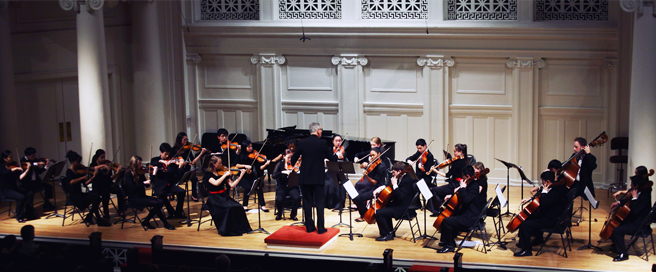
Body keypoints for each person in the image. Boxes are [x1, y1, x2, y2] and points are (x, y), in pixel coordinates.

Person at [291, 122, 342, 233]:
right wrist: (337, 155)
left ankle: (309, 227)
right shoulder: (322, 143)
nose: (321, 132)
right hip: (318, 178)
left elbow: (292, 159)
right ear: (318, 130)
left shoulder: (302, 143)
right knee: (319, 203)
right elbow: (332, 158)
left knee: (307, 203)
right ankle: (321, 228)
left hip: (305, 178)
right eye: (321, 131)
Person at [514, 171, 568, 257]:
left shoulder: (555, 192)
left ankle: (527, 250)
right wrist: (530, 200)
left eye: (542, 181)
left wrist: (544, 192)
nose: (541, 183)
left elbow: (544, 204)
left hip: (550, 220)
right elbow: (540, 200)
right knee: (526, 218)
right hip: (547, 216)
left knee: (525, 225)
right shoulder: (552, 188)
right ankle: (526, 242)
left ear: (547, 181)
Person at [436, 165, 487, 253]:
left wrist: (462, 188)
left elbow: (467, 199)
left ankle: (450, 246)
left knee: (446, 221)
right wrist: (451, 196)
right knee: (450, 216)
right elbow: (462, 196)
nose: (461, 178)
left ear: (467, 176)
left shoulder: (474, 186)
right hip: (467, 213)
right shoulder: (470, 183)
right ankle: (446, 241)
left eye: (463, 176)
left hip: (470, 217)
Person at [609, 166, 652, 262]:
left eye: (633, 184)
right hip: (635, 219)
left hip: (639, 224)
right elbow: (628, 199)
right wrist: (619, 203)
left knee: (617, 231)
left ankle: (623, 254)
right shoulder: (639, 189)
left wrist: (635, 198)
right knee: (617, 222)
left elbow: (636, 210)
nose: (631, 186)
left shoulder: (645, 194)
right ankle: (616, 245)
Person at [203, 156, 252, 236]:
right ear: (214, 164)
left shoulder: (222, 172)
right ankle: (229, 229)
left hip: (223, 196)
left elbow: (232, 185)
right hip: (214, 198)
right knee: (229, 208)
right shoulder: (208, 174)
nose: (221, 165)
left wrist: (240, 176)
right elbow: (216, 183)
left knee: (239, 206)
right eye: (219, 163)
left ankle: (241, 228)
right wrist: (225, 175)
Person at [124, 155, 175, 230]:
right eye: (139, 164)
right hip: (135, 199)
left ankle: (147, 221)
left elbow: (148, 185)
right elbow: (132, 188)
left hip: (142, 196)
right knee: (157, 203)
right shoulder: (128, 174)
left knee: (160, 201)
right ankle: (165, 223)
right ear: (134, 164)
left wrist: (153, 174)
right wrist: (143, 183)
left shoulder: (140, 173)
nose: (141, 166)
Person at [372, 162, 417, 241]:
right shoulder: (399, 177)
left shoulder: (407, 181)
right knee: (384, 209)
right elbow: (389, 186)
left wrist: (395, 185)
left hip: (401, 208)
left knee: (378, 213)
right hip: (397, 204)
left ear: (399, 171)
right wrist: (380, 188)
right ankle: (390, 232)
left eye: (394, 172)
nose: (392, 174)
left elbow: (401, 197)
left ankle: (386, 234)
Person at [64, 150, 111, 226]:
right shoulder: (69, 171)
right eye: (77, 162)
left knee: (97, 197)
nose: (79, 164)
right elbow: (71, 182)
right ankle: (97, 220)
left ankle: (90, 217)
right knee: (95, 198)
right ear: (72, 161)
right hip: (74, 197)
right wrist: (82, 178)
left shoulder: (79, 171)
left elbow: (85, 184)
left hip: (80, 194)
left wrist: (93, 177)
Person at [428, 143, 468, 215]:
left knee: (434, 190)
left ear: (460, 152)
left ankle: (438, 209)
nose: (453, 153)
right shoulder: (466, 161)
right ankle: (442, 206)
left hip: (455, 185)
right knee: (441, 190)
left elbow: (447, 175)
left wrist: (435, 170)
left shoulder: (457, 162)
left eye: (455, 151)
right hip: (459, 184)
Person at [150, 143, 186, 218]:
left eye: (168, 154)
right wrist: (162, 161)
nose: (167, 156)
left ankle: (178, 213)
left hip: (169, 185)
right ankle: (170, 210)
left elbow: (178, 175)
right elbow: (152, 163)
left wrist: (180, 167)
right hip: (159, 186)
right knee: (161, 195)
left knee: (181, 192)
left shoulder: (171, 162)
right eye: (165, 154)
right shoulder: (154, 160)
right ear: (161, 152)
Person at [352, 147, 388, 222]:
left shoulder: (381, 166)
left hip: (378, 189)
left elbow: (374, 182)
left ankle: (364, 215)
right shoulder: (373, 164)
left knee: (359, 198)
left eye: (373, 155)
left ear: (379, 154)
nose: (371, 157)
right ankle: (366, 214)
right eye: (370, 155)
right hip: (372, 187)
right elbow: (363, 167)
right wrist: (364, 165)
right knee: (355, 196)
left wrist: (366, 176)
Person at [89, 149, 125, 220]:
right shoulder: (93, 165)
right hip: (98, 186)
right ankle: (106, 212)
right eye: (101, 157)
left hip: (107, 184)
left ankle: (121, 210)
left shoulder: (108, 165)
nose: (103, 159)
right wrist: (103, 165)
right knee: (106, 193)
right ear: (97, 157)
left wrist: (117, 173)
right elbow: (93, 168)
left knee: (120, 190)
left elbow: (110, 179)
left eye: (104, 157)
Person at [172, 132, 209, 201]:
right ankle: (172, 193)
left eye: (187, 139)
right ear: (179, 140)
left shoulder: (187, 149)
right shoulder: (174, 150)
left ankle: (194, 195)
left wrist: (201, 153)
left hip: (186, 170)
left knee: (195, 179)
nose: (187, 141)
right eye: (185, 140)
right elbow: (172, 161)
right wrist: (180, 162)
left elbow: (192, 162)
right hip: (177, 171)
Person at [0, 150, 36, 222]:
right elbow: (5, 173)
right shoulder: (1, 167)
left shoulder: (12, 165)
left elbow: (19, 178)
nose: (12, 158)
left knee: (29, 193)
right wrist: (15, 168)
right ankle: (19, 216)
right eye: (10, 157)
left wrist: (27, 170)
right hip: (5, 191)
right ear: (4, 159)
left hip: (14, 188)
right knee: (21, 197)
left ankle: (29, 213)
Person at [234, 140, 270, 212]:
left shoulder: (255, 155)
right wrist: (245, 166)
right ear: (244, 148)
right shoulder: (240, 155)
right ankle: (245, 205)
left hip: (253, 175)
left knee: (259, 187)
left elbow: (259, 168)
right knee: (248, 187)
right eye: (248, 147)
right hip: (243, 176)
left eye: (251, 146)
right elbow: (236, 164)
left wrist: (266, 164)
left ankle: (262, 205)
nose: (251, 148)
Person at [19, 147, 55, 211]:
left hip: (35, 182)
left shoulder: (34, 160)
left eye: (35, 155)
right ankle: (29, 209)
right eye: (32, 156)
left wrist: (46, 166)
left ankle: (47, 203)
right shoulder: (23, 161)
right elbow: (29, 165)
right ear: (27, 155)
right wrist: (37, 163)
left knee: (49, 187)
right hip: (27, 184)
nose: (34, 157)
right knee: (30, 193)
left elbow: (39, 172)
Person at [272, 149, 301, 221]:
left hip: (292, 186)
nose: (290, 159)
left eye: (291, 157)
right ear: (284, 157)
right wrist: (282, 172)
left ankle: (293, 214)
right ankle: (279, 213)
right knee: (279, 199)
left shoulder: (294, 164)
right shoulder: (280, 164)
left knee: (297, 198)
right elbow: (274, 175)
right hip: (282, 187)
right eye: (288, 157)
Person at [326, 134, 348, 211]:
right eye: (336, 141)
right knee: (330, 183)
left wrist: (340, 155)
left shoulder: (343, 151)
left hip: (339, 172)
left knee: (340, 183)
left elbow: (344, 160)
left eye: (339, 141)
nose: (338, 142)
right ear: (333, 142)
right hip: (330, 172)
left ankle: (340, 204)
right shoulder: (329, 150)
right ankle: (330, 204)